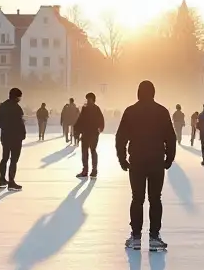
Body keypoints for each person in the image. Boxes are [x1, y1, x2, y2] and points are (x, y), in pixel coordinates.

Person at [115, 80, 176, 251]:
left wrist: (122, 158)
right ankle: (154, 236)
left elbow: (120, 138)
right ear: (153, 93)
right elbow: (170, 137)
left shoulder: (131, 111)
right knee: (155, 199)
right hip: (156, 160)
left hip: (137, 161)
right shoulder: (162, 111)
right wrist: (169, 158)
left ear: (138, 93)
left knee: (137, 198)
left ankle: (135, 236)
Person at [0, 87, 26, 190]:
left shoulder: (3, 106)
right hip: (16, 137)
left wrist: (6, 128)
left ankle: (2, 180)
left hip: (5, 136)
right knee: (13, 160)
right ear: (16, 97)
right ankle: (11, 181)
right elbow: (20, 123)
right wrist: (21, 133)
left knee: (4, 158)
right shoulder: (17, 108)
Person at [74, 92, 106, 178]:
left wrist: (100, 128)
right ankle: (85, 170)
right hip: (85, 134)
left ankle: (94, 170)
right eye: (87, 99)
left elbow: (101, 120)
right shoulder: (85, 109)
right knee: (84, 152)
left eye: (89, 99)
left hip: (94, 134)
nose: (88, 101)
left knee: (93, 150)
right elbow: (80, 120)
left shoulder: (96, 109)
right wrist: (76, 130)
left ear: (93, 100)